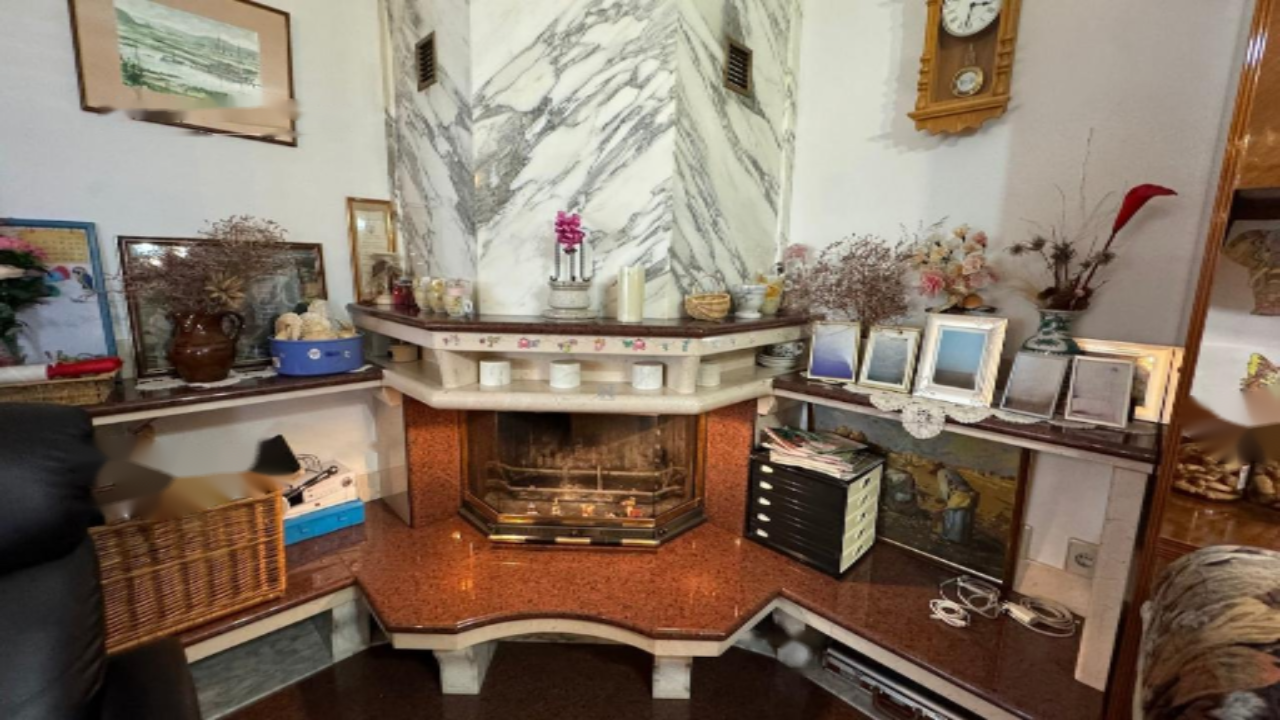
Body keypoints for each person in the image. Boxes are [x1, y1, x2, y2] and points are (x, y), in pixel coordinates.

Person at [937, 468, 978, 544]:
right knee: (959, 521)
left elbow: (949, 495)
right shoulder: (957, 486)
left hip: (959, 504)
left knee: (956, 521)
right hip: (960, 503)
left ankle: (953, 538)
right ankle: (957, 538)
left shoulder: (943, 474)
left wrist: (947, 505)